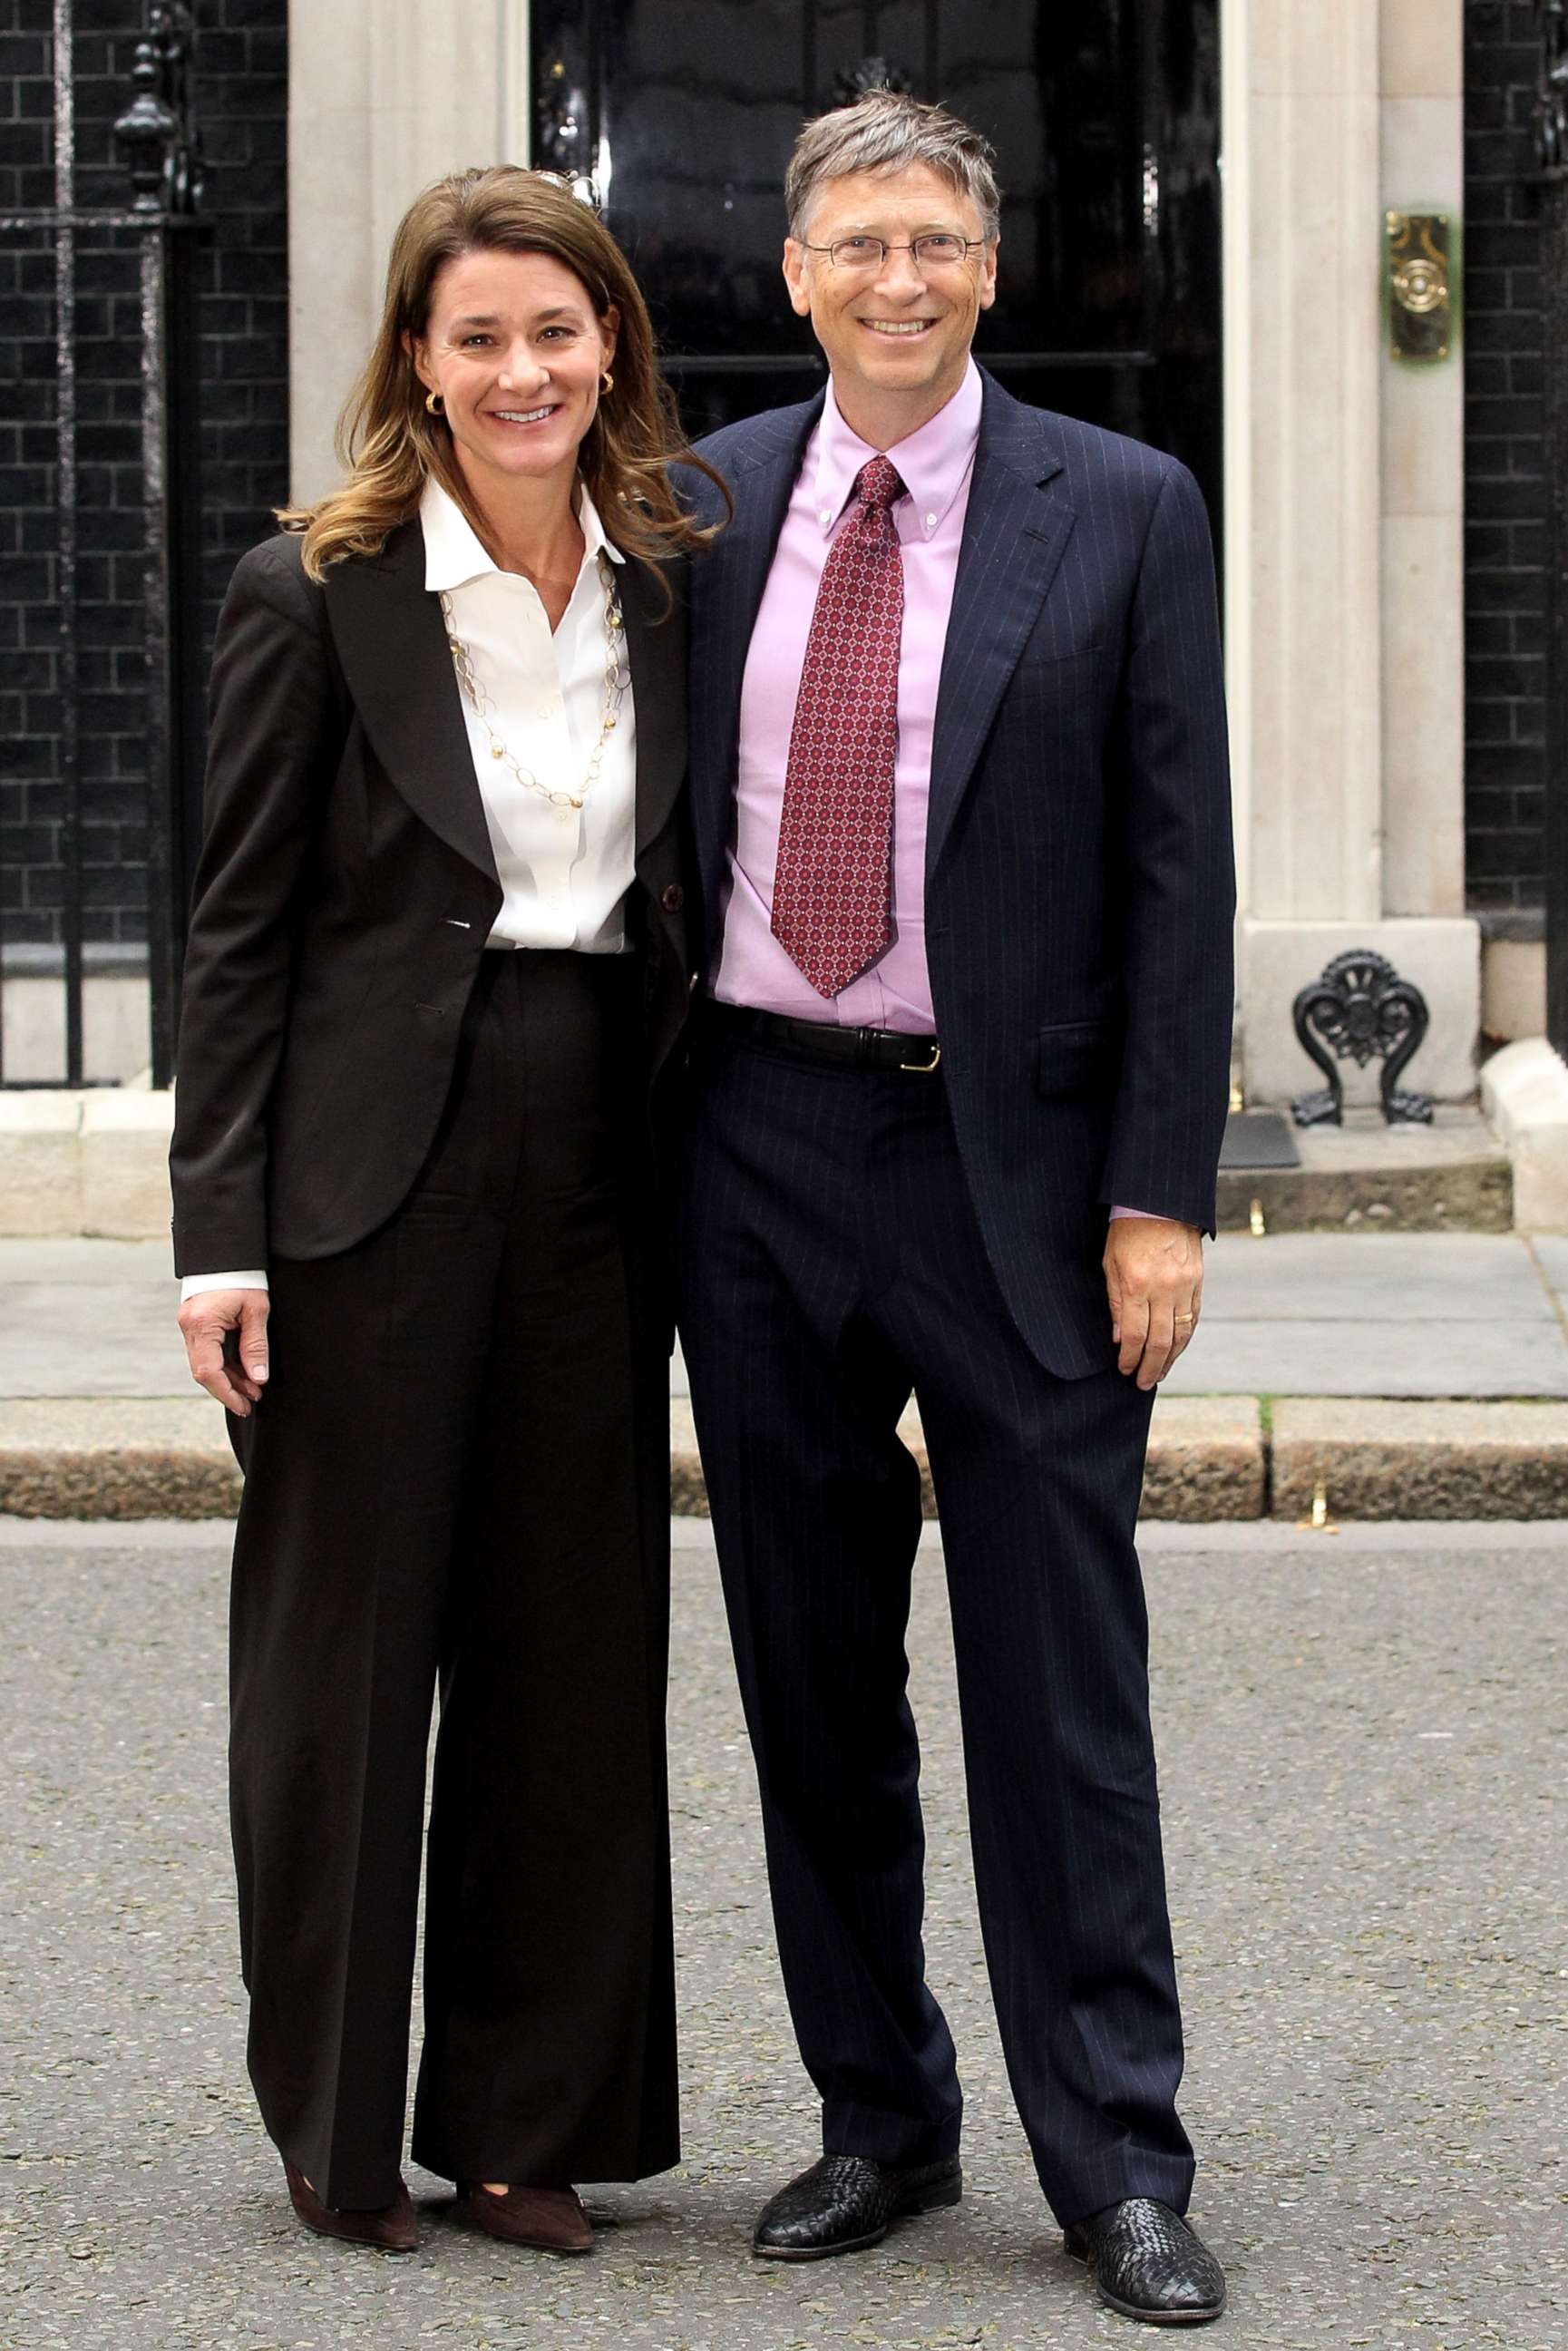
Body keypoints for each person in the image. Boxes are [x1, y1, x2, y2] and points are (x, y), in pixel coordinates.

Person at [675, 92, 1234, 2326]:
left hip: (1010, 1165)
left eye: (933, 242)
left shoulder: (1121, 505)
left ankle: (1114, 2155)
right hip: (754, 1149)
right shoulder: (694, 502)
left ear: (988, 269)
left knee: (1056, 1683)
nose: (895, 279)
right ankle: (879, 2118)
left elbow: (1177, 867)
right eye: (853, 245)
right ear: (792, 275)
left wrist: (1157, 1200)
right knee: (809, 1675)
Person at [170, 167, 720, 2257]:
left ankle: (521, 2122)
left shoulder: (672, 574)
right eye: (478, 336)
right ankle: (330, 2114)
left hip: (601, 1140)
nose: (522, 372)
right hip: (362, 1162)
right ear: (417, 357)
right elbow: (231, 939)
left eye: (557, 334)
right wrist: (217, 1228)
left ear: (611, 354)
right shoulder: (315, 590)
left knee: (571, 1648)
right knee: (347, 1650)